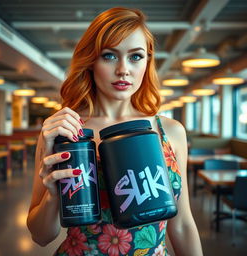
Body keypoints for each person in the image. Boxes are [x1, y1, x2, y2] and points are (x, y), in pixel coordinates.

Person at [27, 7, 203, 256]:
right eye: (109, 56)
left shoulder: (170, 132)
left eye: (135, 56)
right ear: (91, 61)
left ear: (147, 61)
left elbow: (183, 225)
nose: (123, 69)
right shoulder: (66, 132)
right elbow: (41, 237)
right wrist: (53, 195)